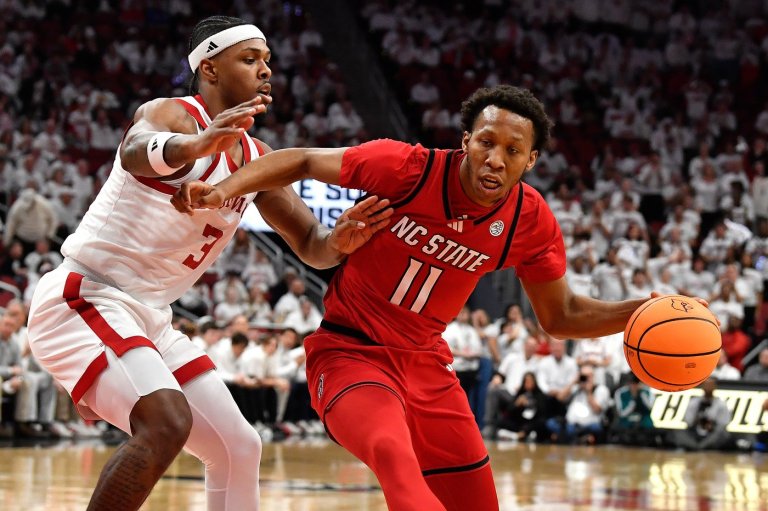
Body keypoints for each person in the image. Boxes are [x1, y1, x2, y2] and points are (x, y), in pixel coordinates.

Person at [174, 85, 707, 510]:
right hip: (350, 353)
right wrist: (223, 190)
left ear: (531, 160)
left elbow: (561, 315)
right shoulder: (408, 168)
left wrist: (639, 311)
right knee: (393, 456)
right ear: (466, 140)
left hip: (428, 366)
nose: (495, 159)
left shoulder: (529, 219)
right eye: (486, 142)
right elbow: (303, 161)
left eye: (512, 151)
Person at [26, 16, 392, 511]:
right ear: (210, 69)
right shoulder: (174, 115)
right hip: (86, 295)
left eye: (267, 60)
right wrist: (197, 146)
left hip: (151, 317)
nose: (265, 70)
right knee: (165, 424)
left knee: (238, 447)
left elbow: (311, 244)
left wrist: (341, 240)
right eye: (250, 59)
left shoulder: (257, 157)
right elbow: (134, 151)